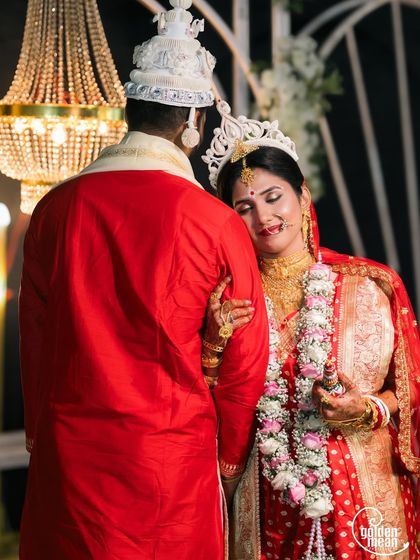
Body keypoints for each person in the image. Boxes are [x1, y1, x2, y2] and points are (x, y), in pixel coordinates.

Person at [18, 4, 269, 558]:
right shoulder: (216, 222)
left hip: (71, 462)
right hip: (170, 467)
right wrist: (228, 461)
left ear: (130, 112)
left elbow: (34, 339)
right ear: (192, 126)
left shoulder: (55, 210)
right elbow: (244, 362)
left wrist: (40, 433)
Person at [201, 101, 420, 559]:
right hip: (263, 499)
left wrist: (369, 409)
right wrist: (213, 342)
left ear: (302, 196)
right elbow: (200, 399)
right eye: (244, 206)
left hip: (363, 494)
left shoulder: (369, 284)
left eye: (273, 196)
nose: (263, 217)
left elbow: (410, 385)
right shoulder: (225, 303)